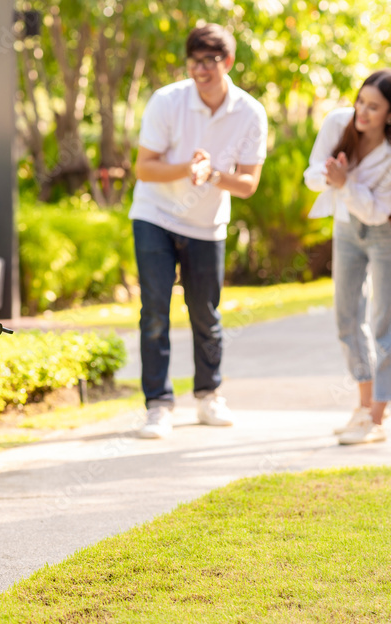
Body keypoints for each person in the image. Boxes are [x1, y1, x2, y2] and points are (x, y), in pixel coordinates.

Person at [129, 23, 268, 439]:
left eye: (209, 61)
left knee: (205, 314)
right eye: (194, 61)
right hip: (155, 215)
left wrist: (212, 175)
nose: (200, 70)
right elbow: (144, 167)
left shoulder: (249, 112)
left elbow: (247, 184)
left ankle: (209, 395)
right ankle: (158, 404)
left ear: (227, 62)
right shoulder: (167, 101)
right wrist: (189, 168)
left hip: (207, 224)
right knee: (155, 311)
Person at [303, 69, 391, 445]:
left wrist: (344, 182)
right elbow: (311, 175)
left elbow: (374, 210)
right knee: (346, 317)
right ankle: (363, 406)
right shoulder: (338, 122)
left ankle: (378, 419)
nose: (362, 112)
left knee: (386, 318)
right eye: (360, 101)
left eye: (374, 107)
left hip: (387, 230)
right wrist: (330, 177)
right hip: (346, 225)